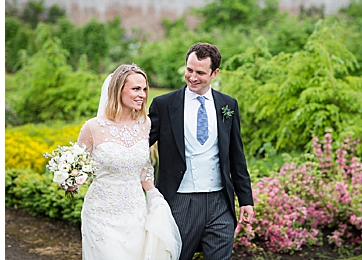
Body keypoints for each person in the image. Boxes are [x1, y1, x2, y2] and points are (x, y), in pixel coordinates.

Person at [148, 42, 255, 260]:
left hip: (220, 202)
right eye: (189, 70)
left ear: (215, 73)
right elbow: (140, 144)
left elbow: (236, 155)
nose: (193, 77)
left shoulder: (228, 105)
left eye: (200, 72)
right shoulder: (164, 104)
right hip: (179, 200)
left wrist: (246, 199)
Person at [78, 64, 181, 259]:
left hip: (135, 213)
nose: (142, 94)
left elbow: (143, 167)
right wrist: (71, 181)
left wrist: (154, 195)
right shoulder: (92, 128)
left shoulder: (145, 125)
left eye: (144, 89)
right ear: (118, 90)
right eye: (135, 89)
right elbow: (78, 167)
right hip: (101, 213)